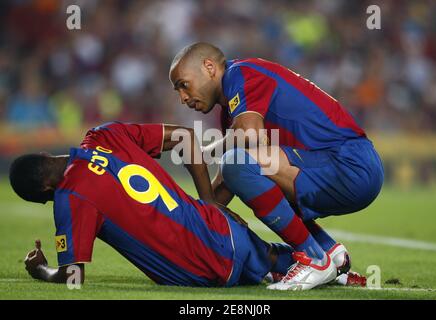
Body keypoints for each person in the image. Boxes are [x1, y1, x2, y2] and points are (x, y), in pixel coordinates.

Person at [169, 42, 383, 290]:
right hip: (336, 166)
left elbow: (247, 138)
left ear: (209, 67)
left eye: (183, 85)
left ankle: (313, 258)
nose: (183, 98)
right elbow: (224, 188)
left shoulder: (241, 74)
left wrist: (203, 153)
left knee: (238, 162)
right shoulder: (232, 110)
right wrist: (184, 226)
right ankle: (328, 251)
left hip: (349, 163)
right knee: (243, 169)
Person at [9, 121, 295, 287]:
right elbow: (184, 136)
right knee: (291, 261)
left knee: (271, 268)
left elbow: (73, 275)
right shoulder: (103, 135)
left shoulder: (70, 197)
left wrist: (42, 271)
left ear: (47, 190)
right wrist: (209, 201)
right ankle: (324, 260)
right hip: (227, 232)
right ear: (47, 154)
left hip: (201, 273)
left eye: (46, 200)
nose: (52, 202)